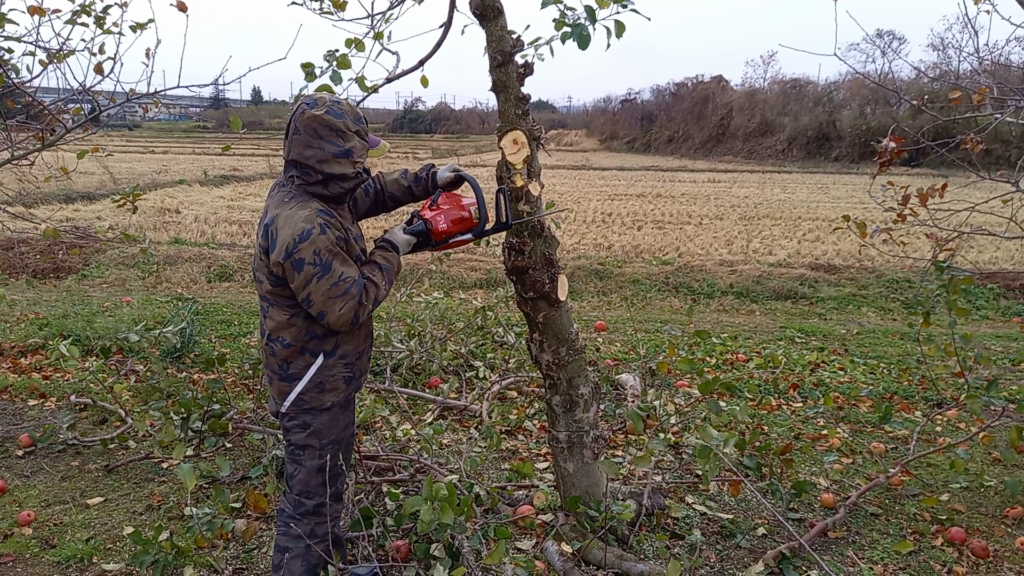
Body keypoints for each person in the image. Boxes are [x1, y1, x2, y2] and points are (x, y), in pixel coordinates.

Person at [252, 93, 465, 575]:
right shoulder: (306, 227)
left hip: (324, 374)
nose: (365, 167)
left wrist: (429, 180)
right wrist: (394, 245)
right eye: (358, 156)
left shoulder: (309, 191)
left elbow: (365, 194)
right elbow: (348, 305)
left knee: (326, 487)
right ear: (334, 157)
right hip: (312, 384)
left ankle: (328, 565)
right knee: (309, 503)